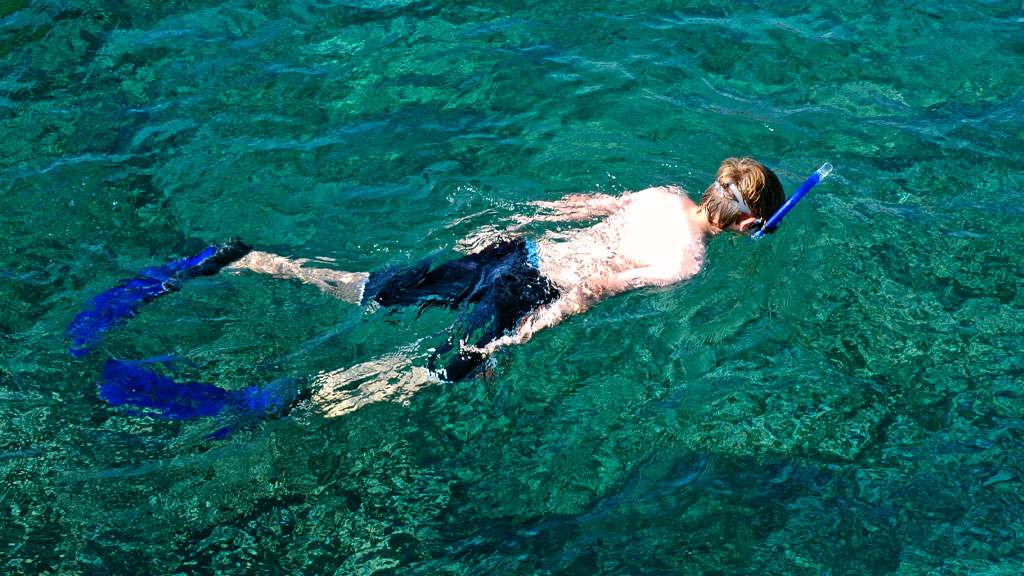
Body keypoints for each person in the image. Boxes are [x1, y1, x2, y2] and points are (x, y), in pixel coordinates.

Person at [227, 157, 786, 394]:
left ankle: (255, 261)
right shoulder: (686, 263)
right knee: (437, 372)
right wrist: (519, 336)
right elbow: (593, 288)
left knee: (377, 289)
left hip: (520, 250)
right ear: (749, 225)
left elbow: (578, 206)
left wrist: (509, 229)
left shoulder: (663, 194)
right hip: (534, 290)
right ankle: (316, 397)